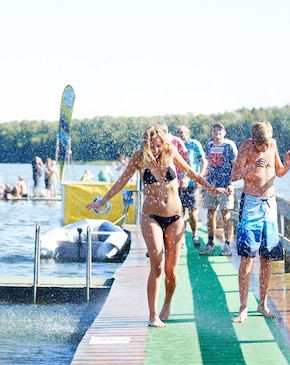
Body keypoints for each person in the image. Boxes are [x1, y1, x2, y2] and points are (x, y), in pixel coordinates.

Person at [86, 124, 227, 328]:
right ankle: (153, 315)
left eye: (158, 145)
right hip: (151, 216)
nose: (155, 149)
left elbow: (190, 172)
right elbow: (121, 182)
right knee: (157, 265)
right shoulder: (139, 157)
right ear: (145, 144)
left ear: (164, 143)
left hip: (175, 217)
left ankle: (167, 303)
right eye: (152, 146)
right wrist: (102, 201)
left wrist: (212, 188)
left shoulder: (170, 152)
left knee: (172, 271)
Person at [231, 121, 290, 323]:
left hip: (269, 204)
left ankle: (263, 304)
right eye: (262, 145)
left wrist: (288, 165)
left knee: (267, 257)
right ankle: (243, 307)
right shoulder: (246, 147)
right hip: (250, 203)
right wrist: (251, 166)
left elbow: (278, 172)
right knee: (247, 257)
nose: (265, 148)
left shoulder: (273, 144)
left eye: (267, 143)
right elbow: (234, 176)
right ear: (254, 141)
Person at [199, 123, 238, 256]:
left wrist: (231, 184)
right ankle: (210, 243)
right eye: (215, 130)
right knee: (210, 214)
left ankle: (227, 245)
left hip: (225, 186)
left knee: (226, 214)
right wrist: (204, 184)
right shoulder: (209, 145)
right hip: (211, 185)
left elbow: (235, 166)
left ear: (224, 132)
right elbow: (208, 164)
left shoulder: (229, 145)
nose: (217, 132)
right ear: (212, 133)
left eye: (220, 130)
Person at [177, 125, 208, 249]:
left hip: (192, 184)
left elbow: (204, 162)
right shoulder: (176, 145)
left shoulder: (194, 144)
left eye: (183, 132)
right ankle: (182, 240)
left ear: (188, 133)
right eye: (178, 132)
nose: (181, 134)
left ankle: (194, 235)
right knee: (180, 213)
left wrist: (199, 178)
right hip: (179, 184)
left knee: (193, 213)